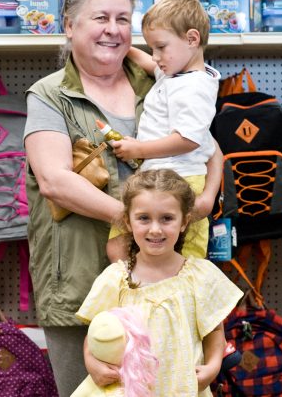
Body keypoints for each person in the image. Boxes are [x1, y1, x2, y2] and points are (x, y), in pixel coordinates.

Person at [24, 0, 223, 396]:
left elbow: (208, 146)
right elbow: (54, 181)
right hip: (79, 277)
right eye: (100, 18)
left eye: (122, 18)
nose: (113, 30)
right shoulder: (49, 95)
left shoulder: (163, 80)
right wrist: (141, 222)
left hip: (165, 285)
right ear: (69, 25)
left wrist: (205, 199)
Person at [76, 169, 243, 396]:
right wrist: (92, 364)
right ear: (128, 221)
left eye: (167, 218)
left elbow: (215, 332)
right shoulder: (115, 279)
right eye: (144, 218)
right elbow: (96, 334)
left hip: (182, 388)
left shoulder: (200, 276)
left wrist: (212, 367)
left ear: (184, 221)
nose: (155, 229)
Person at [107, 0, 221, 263]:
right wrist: (124, 45)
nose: (155, 56)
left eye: (161, 47)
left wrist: (139, 149)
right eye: (152, 48)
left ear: (192, 39)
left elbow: (187, 140)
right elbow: (149, 64)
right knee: (119, 247)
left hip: (183, 182)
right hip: (159, 178)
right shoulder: (176, 73)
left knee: (185, 262)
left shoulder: (193, 87)